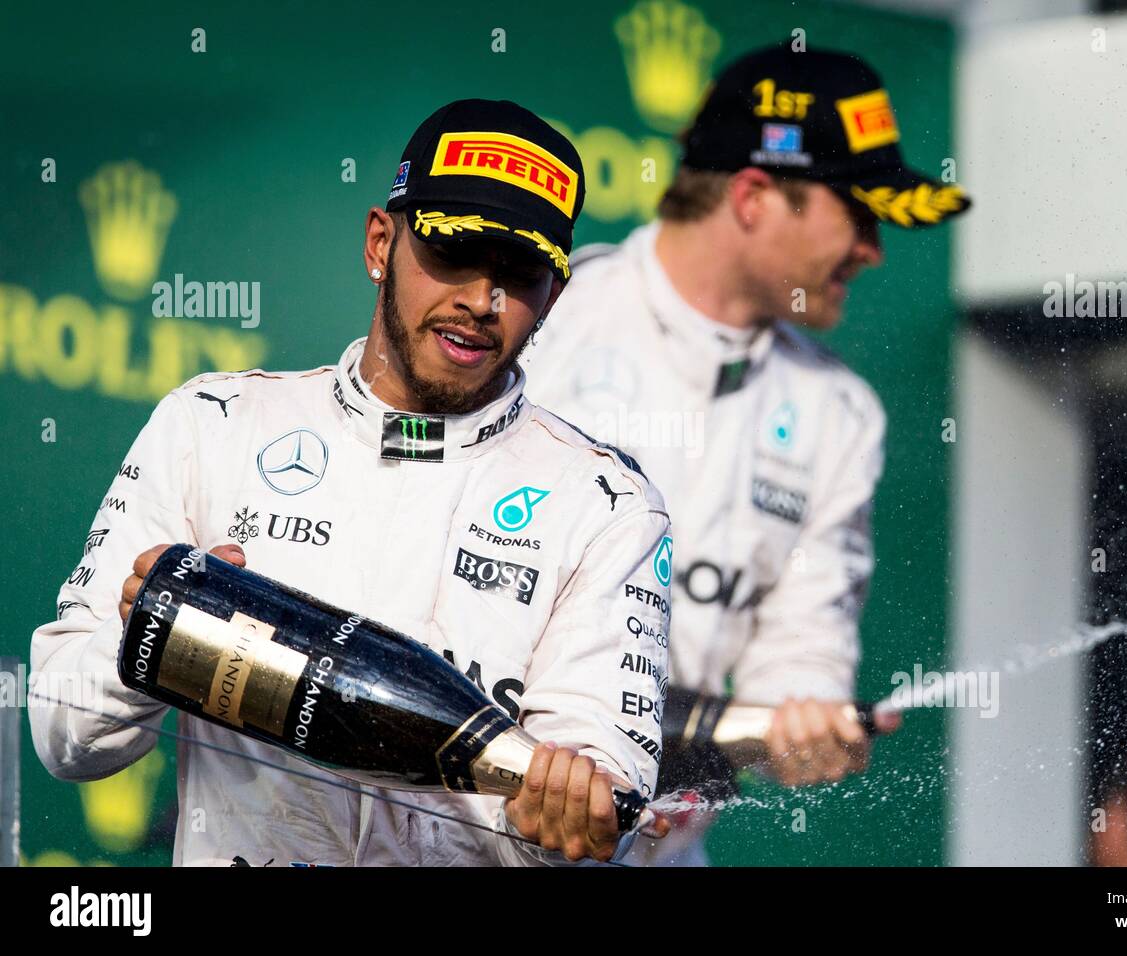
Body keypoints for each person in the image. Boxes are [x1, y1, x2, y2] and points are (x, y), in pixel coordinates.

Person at [29, 99, 673, 866]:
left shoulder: (610, 510)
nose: (480, 300)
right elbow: (61, 735)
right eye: (454, 253)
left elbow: (602, 803)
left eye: (519, 274)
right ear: (380, 243)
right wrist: (147, 639)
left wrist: (564, 817)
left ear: (554, 298)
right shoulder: (212, 423)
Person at [521, 44, 971, 864]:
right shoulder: (548, 320)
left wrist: (804, 720)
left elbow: (803, 644)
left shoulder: (840, 413)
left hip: (656, 849)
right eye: (859, 216)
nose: (872, 250)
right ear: (756, 196)